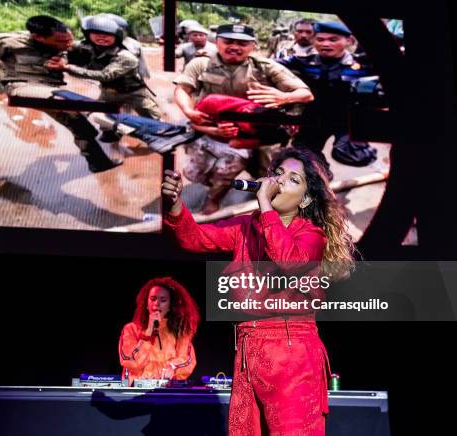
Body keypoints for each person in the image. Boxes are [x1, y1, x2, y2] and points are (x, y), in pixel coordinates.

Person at [161, 147, 356, 435]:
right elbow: (197, 239)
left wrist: (264, 205)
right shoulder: (245, 227)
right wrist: (176, 204)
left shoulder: (311, 234)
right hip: (249, 349)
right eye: (277, 174)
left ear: (305, 198)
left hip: (292, 351)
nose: (278, 182)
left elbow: (287, 261)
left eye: (293, 179)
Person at [0, 15, 121, 174]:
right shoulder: (7, 41)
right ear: (38, 37)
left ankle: (98, 163)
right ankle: (97, 112)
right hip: (21, 87)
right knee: (66, 100)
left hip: (49, 88)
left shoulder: (66, 43)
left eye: (69, 39)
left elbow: (87, 60)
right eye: (61, 42)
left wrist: (70, 57)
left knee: (80, 125)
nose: (67, 44)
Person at [173, 23, 313, 215]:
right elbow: (182, 89)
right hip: (214, 127)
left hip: (258, 129)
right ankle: (216, 192)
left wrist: (284, 97)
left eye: (242, 43)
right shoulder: (201, 63)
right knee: (203, 171)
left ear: (253, 46)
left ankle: (248, 200)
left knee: (267, 171)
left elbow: (305, 94)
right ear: (217, 42)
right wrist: (189, 111)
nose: (235, 47)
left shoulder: (265, 67)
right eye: (228, 41)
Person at [279, 21, 378, 173]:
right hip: (314, 119)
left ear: (349, 41)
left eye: (333, 40)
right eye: (320, 39)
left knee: (353, 155)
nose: (325, 44)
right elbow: (271, 66)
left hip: (347, 120)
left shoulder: (363, 65)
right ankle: (321, 174)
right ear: (314, 41)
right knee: (301, 159)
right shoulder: (303, 62)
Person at [119, 277, 200, 386]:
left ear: (170, 306)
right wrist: (148, 332)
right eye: (153, 299)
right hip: (136, 392)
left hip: (167, 391)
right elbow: (130, 362)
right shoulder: (131, 329)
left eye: (163, 300)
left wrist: (172, 367)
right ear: (146, 303)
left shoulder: (180, 331)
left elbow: (187, 361)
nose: (156, 303)